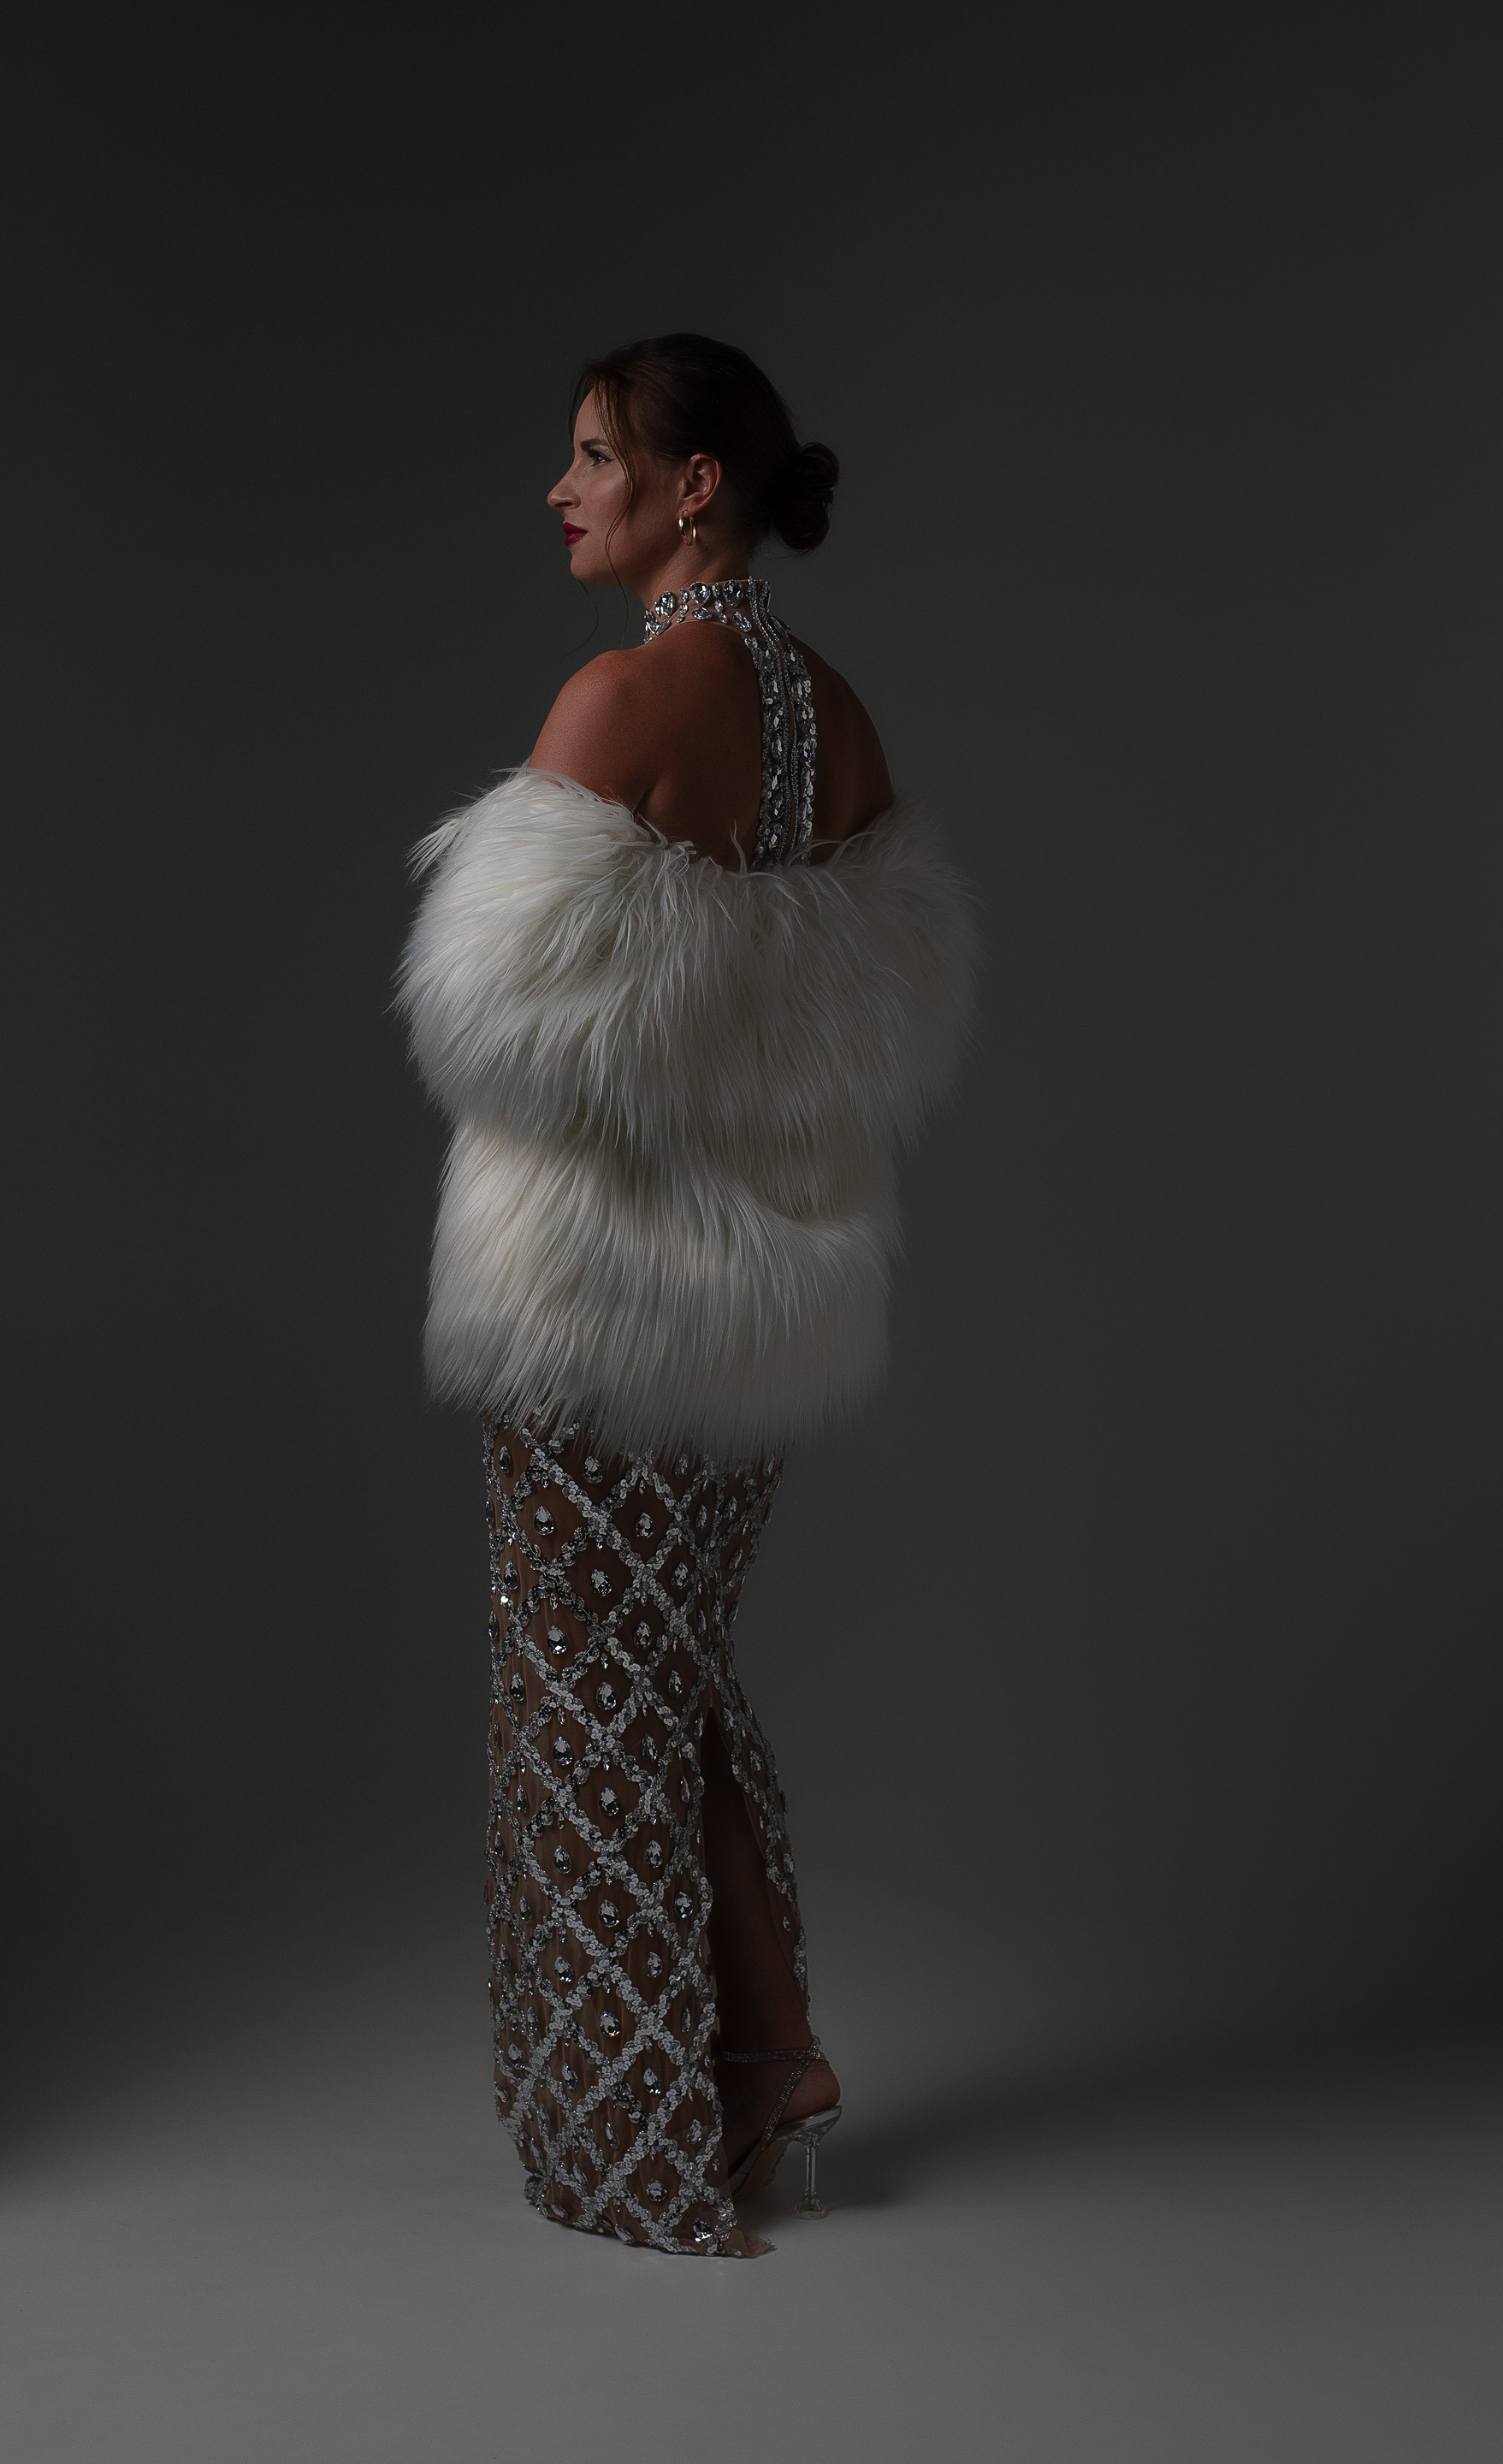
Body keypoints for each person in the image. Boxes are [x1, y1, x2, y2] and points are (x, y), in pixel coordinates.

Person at [398, 334, 975, 2257]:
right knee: (669, 1677)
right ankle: (777, 2053)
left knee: (585, 1702)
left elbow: (491, 1025)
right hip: (759, 1310)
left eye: (593, 455)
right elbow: (868, 1035)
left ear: (694, 484)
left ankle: (636, 2140)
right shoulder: (842, 721)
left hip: (591, 1306)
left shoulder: (622, 697)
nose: (562, 490)